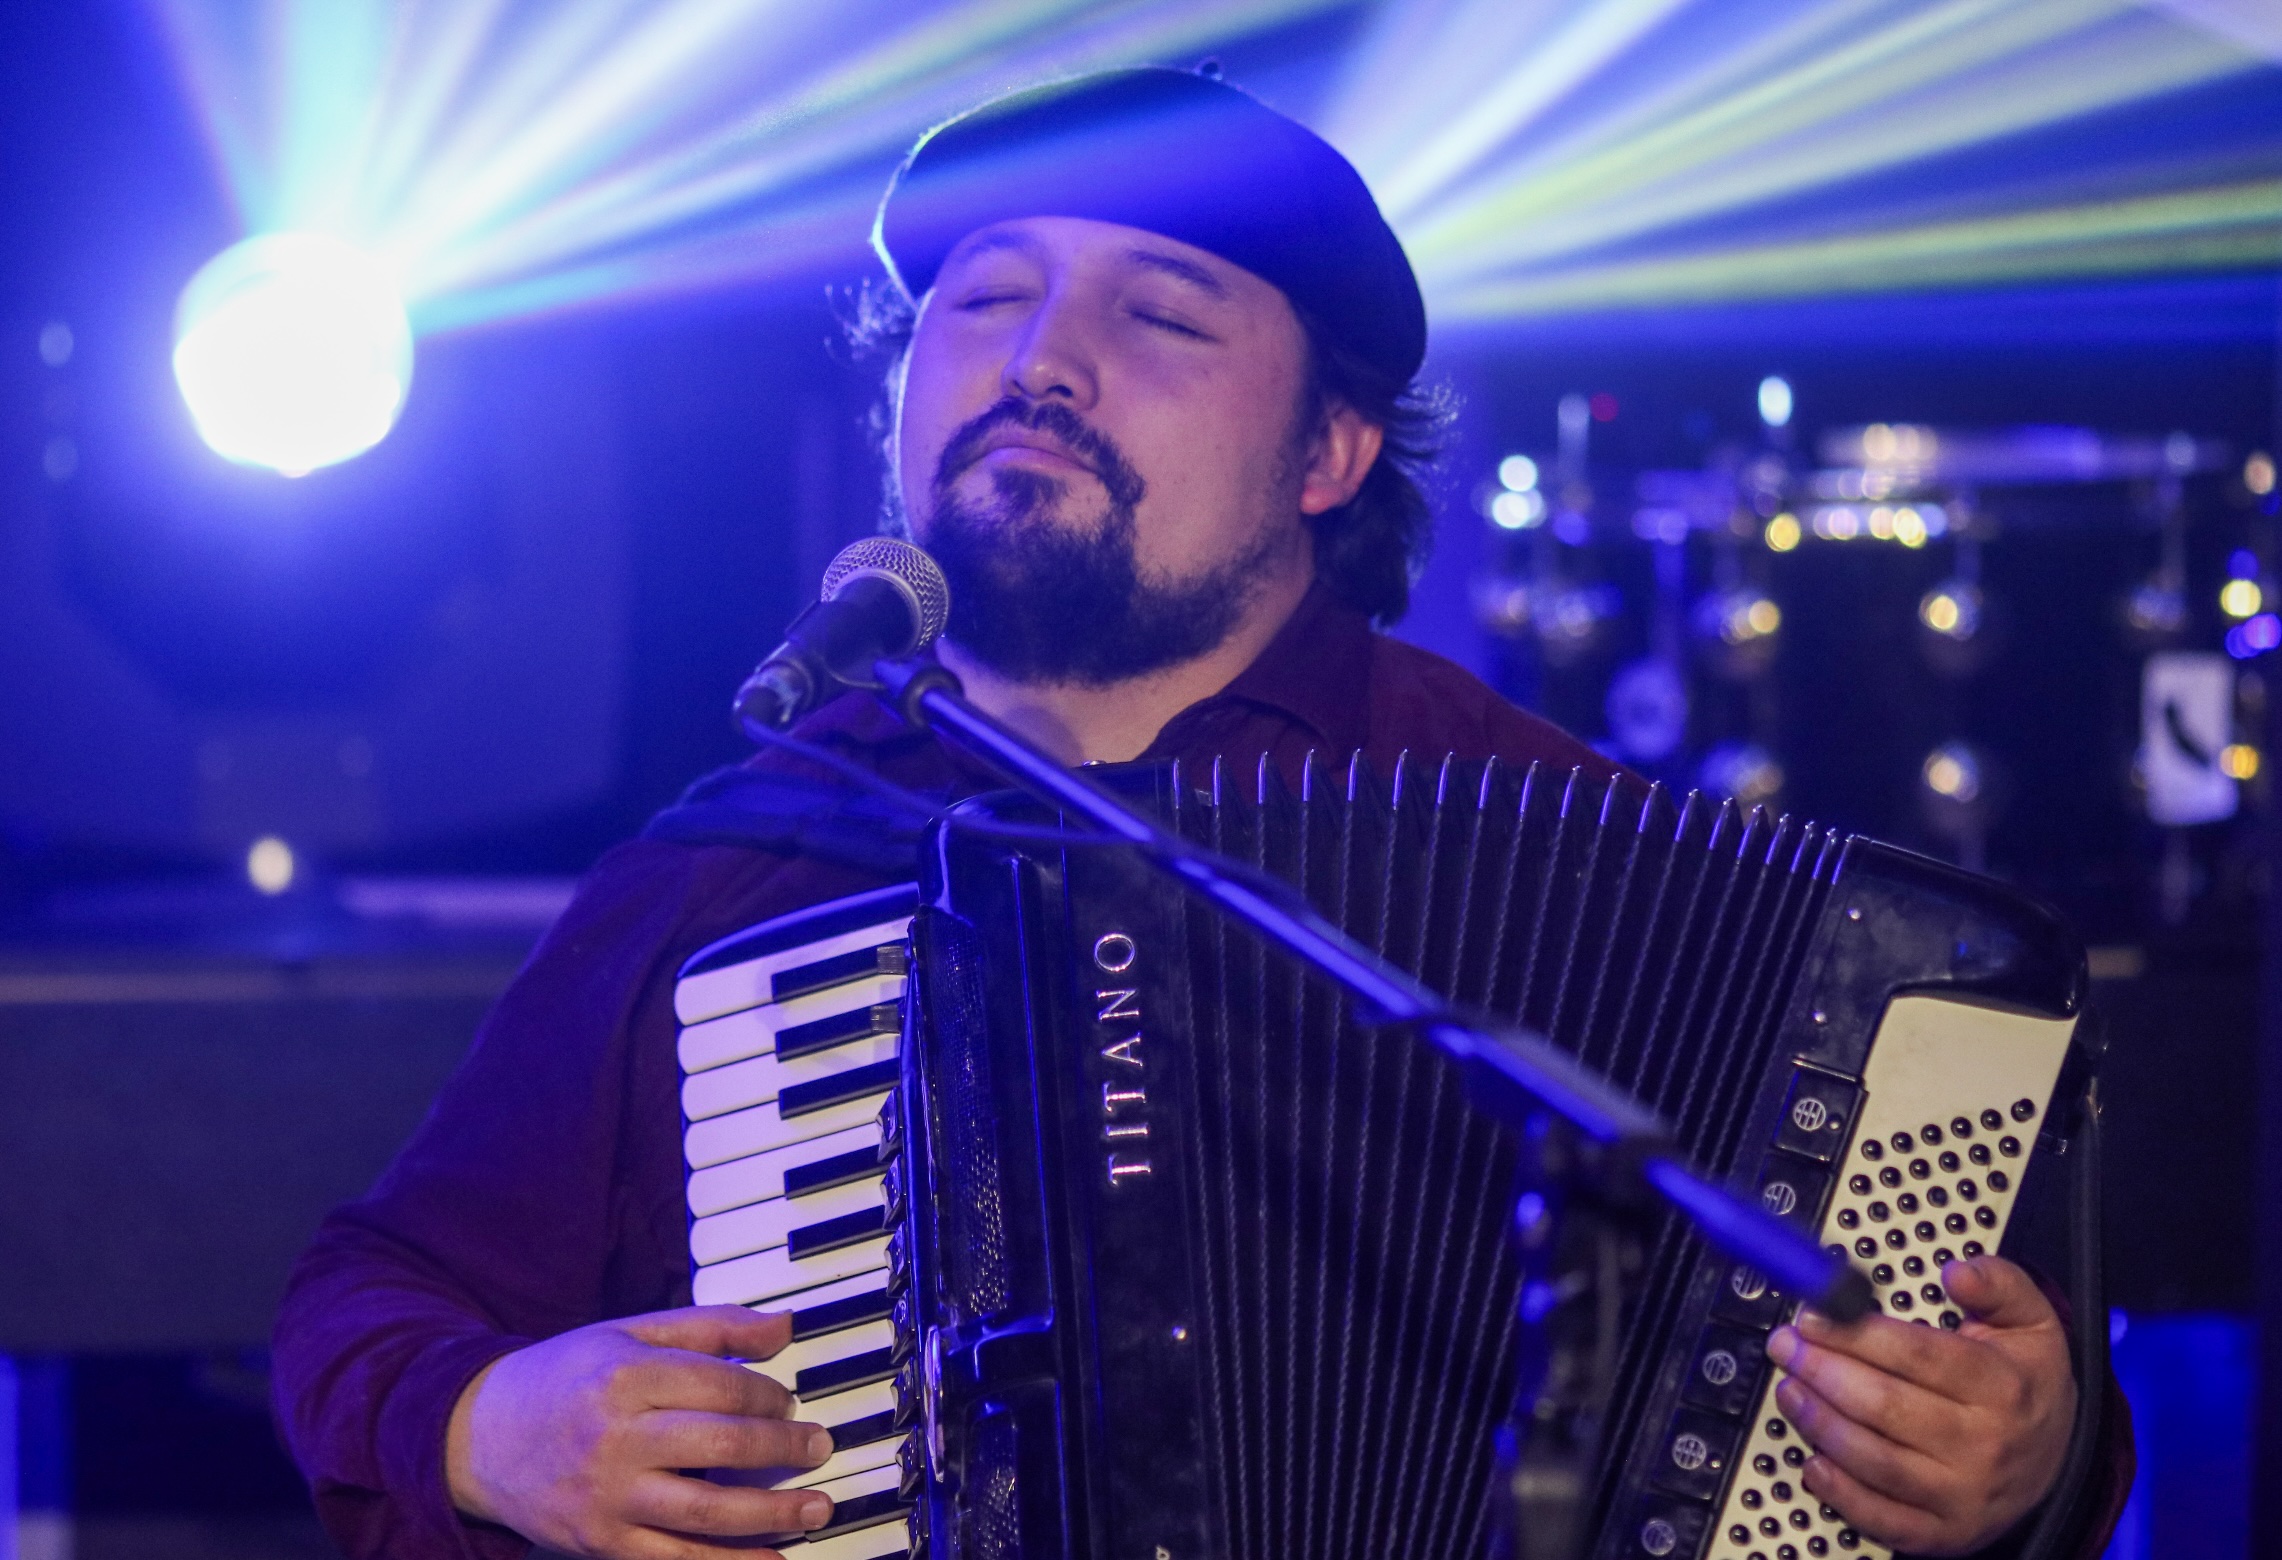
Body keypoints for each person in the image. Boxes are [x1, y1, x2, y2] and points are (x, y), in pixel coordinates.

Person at [271, 67, 2129, 1560]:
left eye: (1158, 315)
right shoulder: (753, 852)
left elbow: (1946, 1369)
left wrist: (2021, 1454)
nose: (1038, 360)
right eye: (982, 300)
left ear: (1329, 452)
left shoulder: (1538, 833)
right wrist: (484, 1424)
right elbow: (378, 1292)